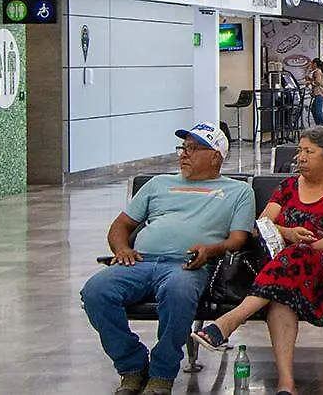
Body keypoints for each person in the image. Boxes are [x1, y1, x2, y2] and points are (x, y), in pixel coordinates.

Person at [191, 126, 323, 395]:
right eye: (299, 151)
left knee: (292, 263)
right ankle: (286, 384)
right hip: (284, 276)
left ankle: (230, 320)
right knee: (281, 296)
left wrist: (309, 251)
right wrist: (286, 233)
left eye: (309, 151)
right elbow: (261, 224)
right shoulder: (287, 187)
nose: (301, 157)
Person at [82, 123, 254, 395]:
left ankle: (162, 372)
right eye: (183, 147)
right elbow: (121, 226)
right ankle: (132, 366)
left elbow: (238, 239)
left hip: (186, 266)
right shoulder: (159, 183)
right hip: (140, 261)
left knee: (178, 293)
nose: (184, 154)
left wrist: (210, 250)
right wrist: (121, 249)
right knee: (95, 291)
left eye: (193, 148)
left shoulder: (238, 191)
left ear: (215, 156)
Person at [305, 58, 323, 125]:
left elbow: (317, 82)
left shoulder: (317, 72)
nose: (311, 65)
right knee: (314, 109)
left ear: (315, 64)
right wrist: (309, 79)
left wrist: (309, 82)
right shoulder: (317, 71)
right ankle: (319, 125)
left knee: (317, 111)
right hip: (318, 94)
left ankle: (322, 126)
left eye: (312, 63)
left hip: (319, 94)